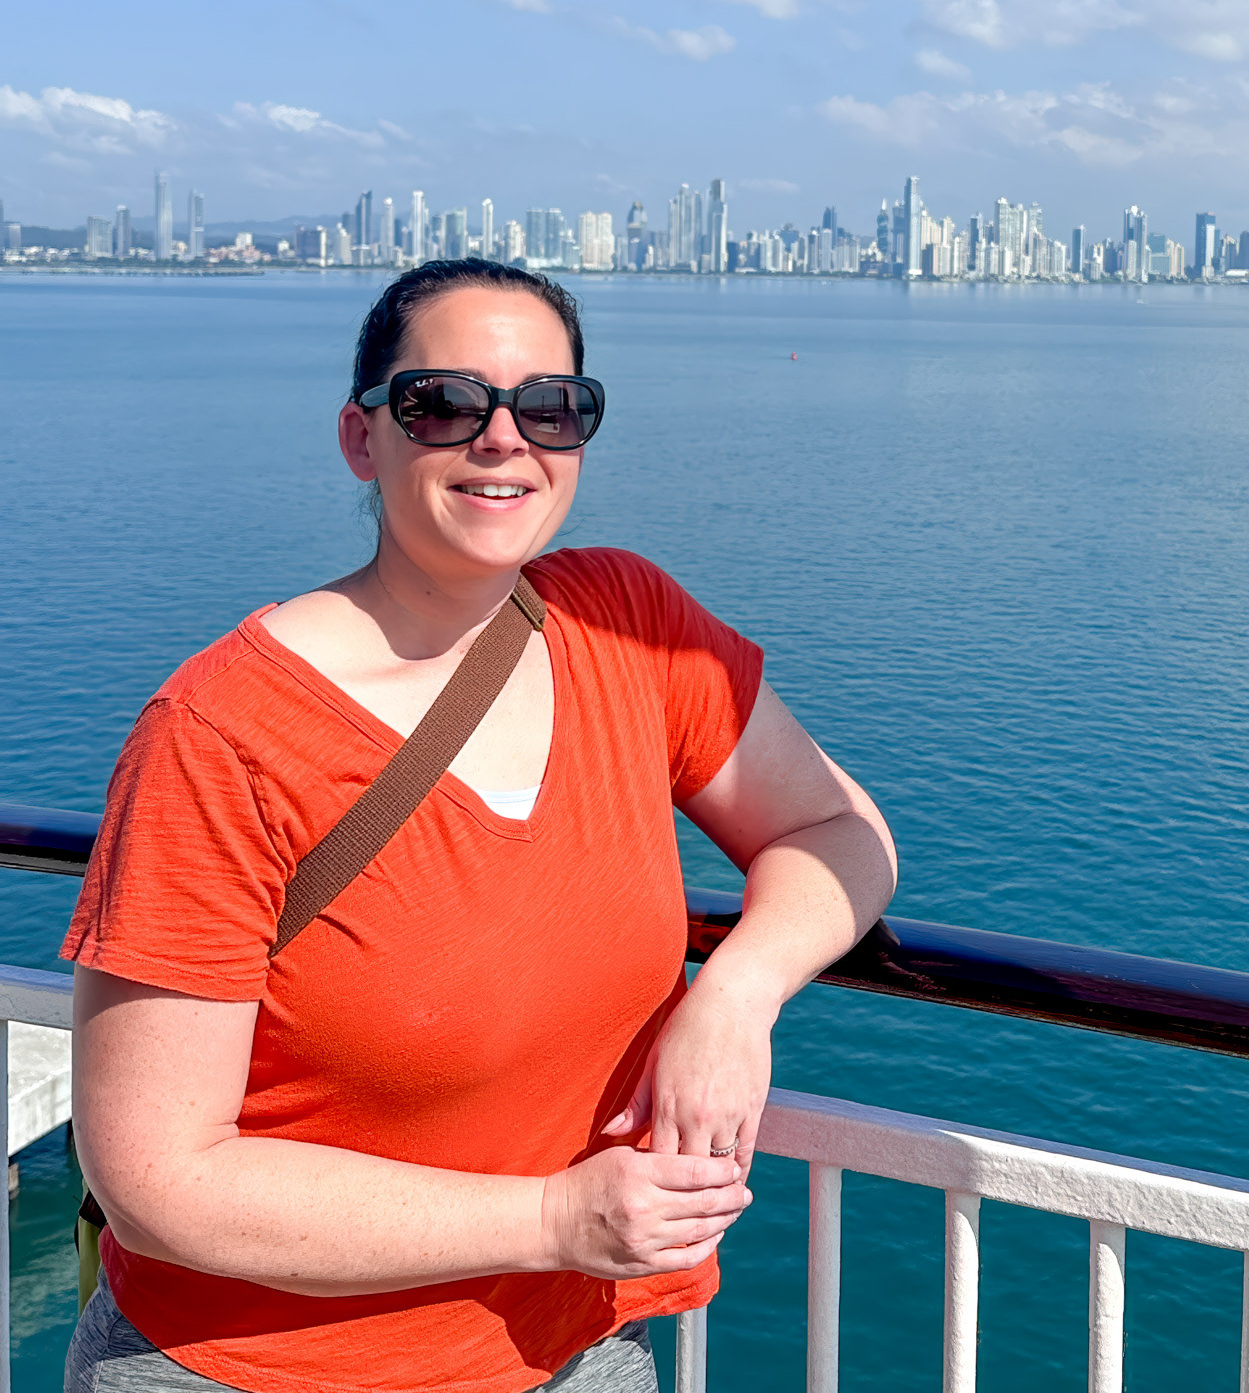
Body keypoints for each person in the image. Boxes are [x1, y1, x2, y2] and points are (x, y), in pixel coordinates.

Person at [65, 258, 897, 1393]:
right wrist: (556, 1216)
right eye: (443, 402)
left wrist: (735, 995)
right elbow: (157, 1179)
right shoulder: (223, 733)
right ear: (363, 437)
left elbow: (841, 832)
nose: (504, 437)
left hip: (576, 1349)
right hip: (257, 1369)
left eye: (552, 406)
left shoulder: (628, 624)